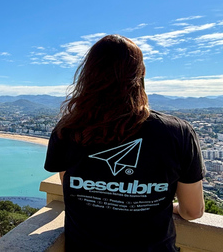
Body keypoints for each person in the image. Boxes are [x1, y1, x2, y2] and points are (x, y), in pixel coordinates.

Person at [44, 35, 205, 252]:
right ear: (140, 75)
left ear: (88, 75)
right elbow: (193, 211)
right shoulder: (177, 133)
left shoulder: (67, 130)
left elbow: (71, 192)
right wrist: (171, 207)